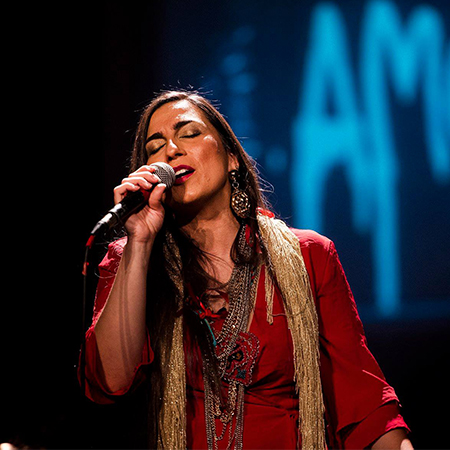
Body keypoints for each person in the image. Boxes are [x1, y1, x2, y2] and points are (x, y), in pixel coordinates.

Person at [79, 90, 413, 449]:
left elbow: (365, 402)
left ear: (233, 158)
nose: (170, 151)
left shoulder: (309, 256)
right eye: (154, 147)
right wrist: (140, 242)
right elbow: (111, 380)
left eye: (188, 134)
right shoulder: (130, 258)